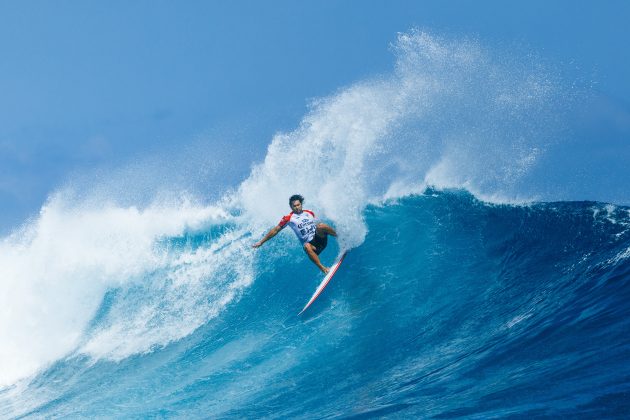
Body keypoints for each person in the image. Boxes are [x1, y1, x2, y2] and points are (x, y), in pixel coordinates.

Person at [253, 194, 337, 274]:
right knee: (306, 246)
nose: (297, 207)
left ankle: (340, 236)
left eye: (298, 205)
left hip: (320, 239)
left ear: (301, 204)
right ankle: (323, 269)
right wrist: (261, 242)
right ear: (291, 207)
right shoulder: (288, 218)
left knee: (321, 226)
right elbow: (275, 230)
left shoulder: (309, 212)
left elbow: (319, 225)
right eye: (294, 206)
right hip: (312, 247)